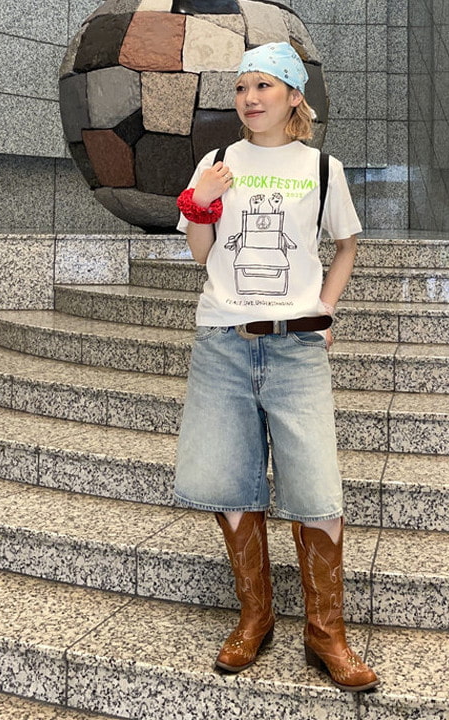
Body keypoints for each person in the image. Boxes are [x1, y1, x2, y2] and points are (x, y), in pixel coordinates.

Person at [174, 41, 379, 692]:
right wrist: (199, 201)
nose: (250, 98)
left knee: (317, 488)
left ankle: (326, 632)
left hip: (296, 347)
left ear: (294, 96)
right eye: (242, 87)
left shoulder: (321, 168)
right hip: (225, 341)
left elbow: (346, 246)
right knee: (231, 481)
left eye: (264, 85)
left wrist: (325, 308)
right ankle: (255, 617)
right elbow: (202, 254)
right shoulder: (217, 162)